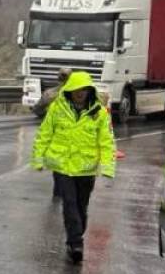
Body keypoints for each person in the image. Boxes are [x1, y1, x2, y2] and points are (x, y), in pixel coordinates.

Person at [31, 70, 116, 263]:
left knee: (81, 207)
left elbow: (106, 141)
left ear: (89, 91)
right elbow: (44, 134)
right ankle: (75, 242)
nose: (80, 93)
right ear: (70, 89)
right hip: (63, 167)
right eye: (77, 89)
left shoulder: (99, 113)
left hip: (86, 169)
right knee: (69, 203)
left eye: (84, 89)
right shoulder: (57, 108)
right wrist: (38, 159)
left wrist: (108, 167)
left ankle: (76, 235)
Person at [33, 68, 73, 198]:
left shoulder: (49, 94)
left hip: (55, 132)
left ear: (58, 78)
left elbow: (38, 109)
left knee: (57, 161)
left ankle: (58, 191)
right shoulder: (79, 94)